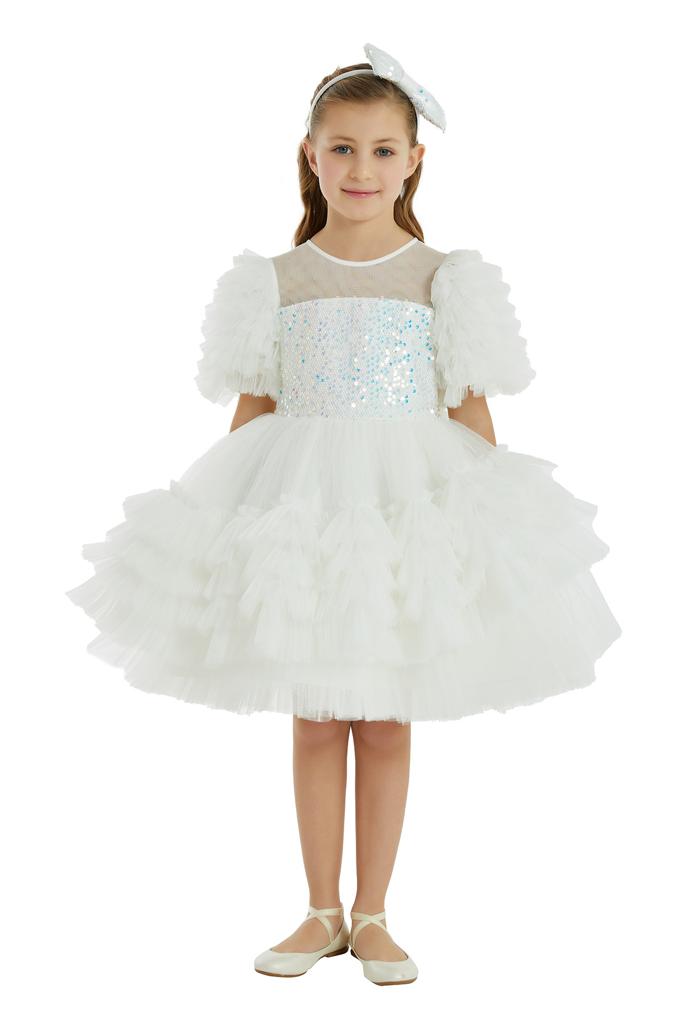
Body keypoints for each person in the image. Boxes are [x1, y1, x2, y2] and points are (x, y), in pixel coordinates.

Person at [65, 44, 622, 986]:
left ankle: (373, 915)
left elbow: (470, 413)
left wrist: (487, 534)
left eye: (381, 150)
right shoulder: (275, 281)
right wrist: (219, 527)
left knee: (388, 716)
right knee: (318, 716)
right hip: (304, 513)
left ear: (413, 161)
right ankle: (319, 910)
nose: (361, 168)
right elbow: (253, 414)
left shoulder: (444, 277)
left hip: (404, 512)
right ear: (310, 155)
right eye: (342, 149)